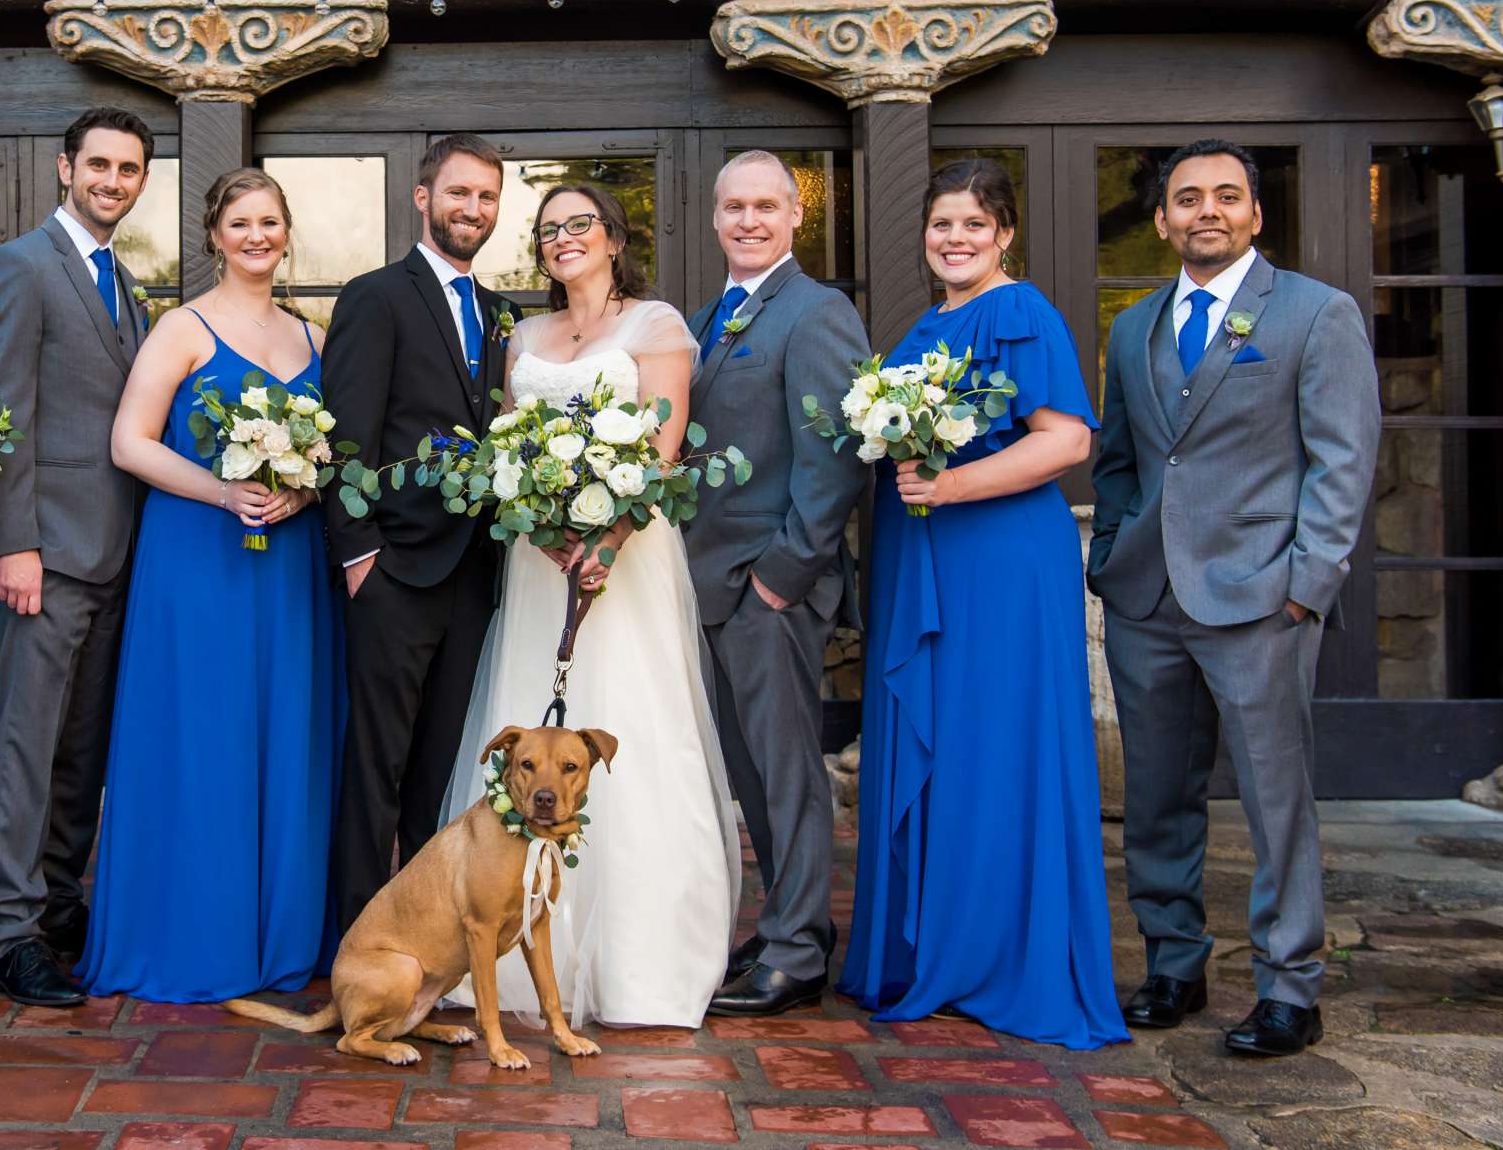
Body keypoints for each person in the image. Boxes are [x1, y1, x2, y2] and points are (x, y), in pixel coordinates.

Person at [1089, 138, 1378, 1059]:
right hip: (1147, 600)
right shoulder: (1133, 328)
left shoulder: (1314, 314)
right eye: (1185, 198)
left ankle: (1291, 986)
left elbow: (1341, 460)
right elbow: (1124, 458)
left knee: (1274, 799)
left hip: (1260, 599)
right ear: (1165, 218)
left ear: (1255, 212)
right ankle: (1174, 963)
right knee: (1158, 797)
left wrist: (1308, 585)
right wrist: (1111, 558)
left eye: (1225, 195)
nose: (1204, 210)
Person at [837, 159, 1126, 1049]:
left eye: (972, 224)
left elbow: (1067, 439)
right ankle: (934, 946)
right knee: (946, 739)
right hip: (929, 553)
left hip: (999, 561)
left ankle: (1001, 956)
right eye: (941, 225)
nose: (954, 238)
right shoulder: (930, 322)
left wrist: (949, 487)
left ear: (1005, 234)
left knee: (997, 745)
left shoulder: (1020, 311)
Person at [440, 184, 737, 1029]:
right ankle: (522, 951)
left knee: (630, 739)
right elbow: (508, 449)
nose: (562, 239)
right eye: (547, 231)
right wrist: (539, 533)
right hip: (540, 567)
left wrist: (602, 548)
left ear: (613, 237)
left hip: (626, 563)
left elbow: (661, 453)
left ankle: (643, 964)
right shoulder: (525, 337)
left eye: (579, 225)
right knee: (527, 739)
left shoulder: (657, 325)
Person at [77, 169, 345, 1001]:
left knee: (284, 732)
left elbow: (336, 449)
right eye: (240, 223)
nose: (256, 236)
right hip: (198, 561)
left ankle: (282, 932)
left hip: (289, 566)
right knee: (204, 736)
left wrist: (303, 488)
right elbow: (131, 442)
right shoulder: (180, 329)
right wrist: (223, 490)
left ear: (287, 232)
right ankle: (194, 930)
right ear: (215, 235)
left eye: (270, 222)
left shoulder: (315, 338)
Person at [0, 107, 156, 1008]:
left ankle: (57, 900)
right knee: (25, 746)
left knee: (83, 751)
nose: (112, 181)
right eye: (99, 166)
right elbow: (4, 418)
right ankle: (7, 931)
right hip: (47, 554)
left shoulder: (128, 283)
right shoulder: (20, 267)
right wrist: (18, 545)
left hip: (118, 553)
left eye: (128, 169)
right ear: (64, 168)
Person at [683, 150, 871, 1018]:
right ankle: (784, 922)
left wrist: (783, 578)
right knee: (753, 775)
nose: (749, 220)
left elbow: (833, 458)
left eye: (766, 206)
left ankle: (800, 950)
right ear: (716, 218)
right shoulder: (710, 316)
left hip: (768, 587)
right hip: (709, 584)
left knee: (789, 772)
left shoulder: (818, 312)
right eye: (734, 207)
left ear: (796, 216)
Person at [322, 135, 511, 938]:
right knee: (378, 765)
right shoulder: (376, 296)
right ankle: (361, 944)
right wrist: (360, 553)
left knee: (442, 765)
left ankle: (427, 937)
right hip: (395, 569)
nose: (473, 209)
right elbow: (346, 436)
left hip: (475, 571)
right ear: (423, 197)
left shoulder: (504, 314)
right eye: (459, 193)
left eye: (488, 198)